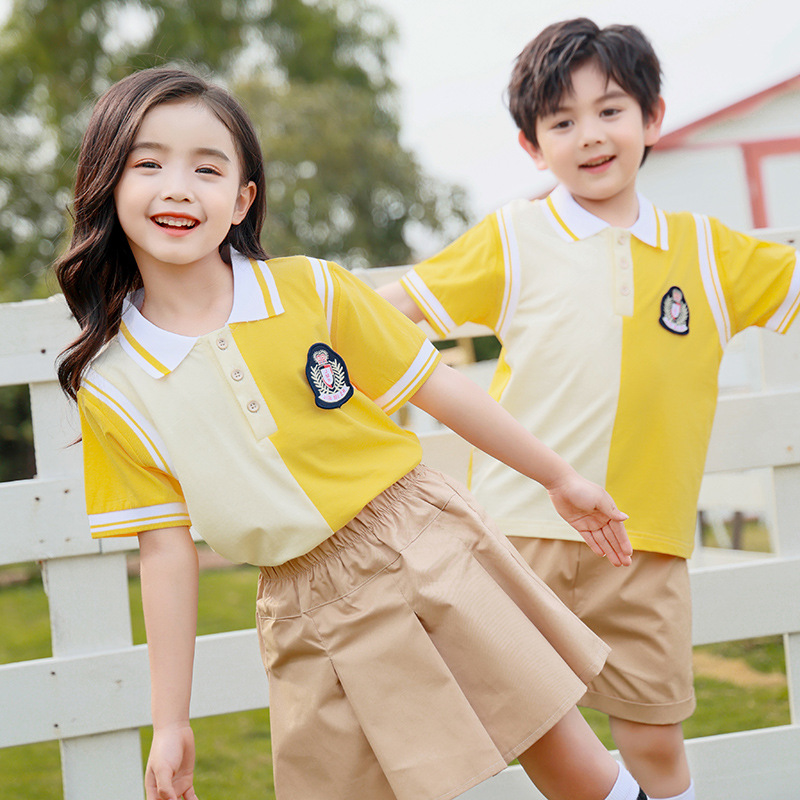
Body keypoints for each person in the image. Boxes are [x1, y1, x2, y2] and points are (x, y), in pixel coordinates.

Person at [53, 66, 651, 800]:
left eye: (207, 168)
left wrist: (559, 477)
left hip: (421, 545)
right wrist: (170, 720)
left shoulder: (313, 290)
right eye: (148, 163)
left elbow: (437, 385)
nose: (178, 187)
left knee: (574, 770)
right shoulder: (112, 385)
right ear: (108, 183)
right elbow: (165, 550)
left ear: (242, 199)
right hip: (301, 606)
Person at [379, 18, 800, 800]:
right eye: (561, 121)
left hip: (646, 542)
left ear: (653, 117)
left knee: (655, 742)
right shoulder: (512, 237)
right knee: (542, 739)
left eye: (610, 110)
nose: (590, 135)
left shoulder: (709, 251)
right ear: (532, 147)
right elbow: (388, 314)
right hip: (520, 532)